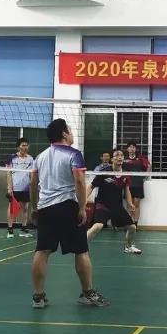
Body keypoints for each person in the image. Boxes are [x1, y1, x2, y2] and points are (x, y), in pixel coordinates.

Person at [29, 119, 108, 309]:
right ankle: (88, 293)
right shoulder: (74, 154)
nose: (72, 133)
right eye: (70, 130)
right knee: (81, 250)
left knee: (42, 250)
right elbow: (79, 181)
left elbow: (32, 183)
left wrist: (34, 208)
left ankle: (38, 297)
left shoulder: (40, 156)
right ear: (64, 134)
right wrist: (81, 207)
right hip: (67, 207)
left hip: (45, 208)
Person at [87, 152, 141, 254]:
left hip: (116, 206)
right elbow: (91, 186)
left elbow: (127, 190)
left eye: (121, 156)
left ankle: (128, 247)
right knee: (98, 226)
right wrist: (84, 199)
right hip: (102, 204)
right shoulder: (104, 172)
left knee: (132, 227)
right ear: (112, 159)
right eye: (117, 156)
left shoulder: (125, 174)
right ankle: (81, 246)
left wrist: (130, 203)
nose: (119, 157)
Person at [6, 138, 35, 238]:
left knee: (25, 208)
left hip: (26, 188)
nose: (25, 147)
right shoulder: (12, 158)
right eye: (23, 145)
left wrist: (32, 183)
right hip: (15, 187)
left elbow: (32, 173)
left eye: (26, 145)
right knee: (12, 209)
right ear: (18, 147)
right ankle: (10, 230)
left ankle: (24, 229)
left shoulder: (30, 159)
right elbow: (8, 173)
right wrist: (9, 187)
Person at [122, 143, 149, 223]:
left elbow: (148, 166)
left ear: (135, 149)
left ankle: (135, 222)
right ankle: (129, 223)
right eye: (130, 147)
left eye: (133, 147)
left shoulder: (140, 158)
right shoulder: (124, 159)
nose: (132, 149)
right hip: (128, 185)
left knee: (136, 204)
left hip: (138, 184)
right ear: (127, 149)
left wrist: (145, 177)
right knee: (129, 204)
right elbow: (119, 168)